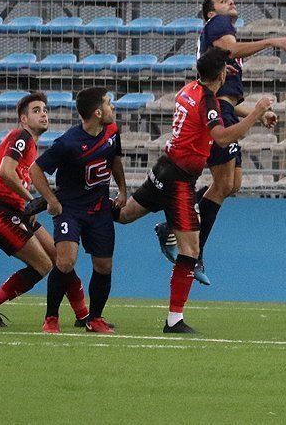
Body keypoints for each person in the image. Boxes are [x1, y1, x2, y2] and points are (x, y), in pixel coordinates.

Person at [115, 48, 273, 333]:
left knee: (124, 215)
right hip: (179, 179)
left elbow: (211, 112)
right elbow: (222, 138)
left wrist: (250, 115)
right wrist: (256, 114)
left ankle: (83, 201)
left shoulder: (189, 89)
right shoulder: (207, 100)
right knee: (190, 250)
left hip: (165, 167)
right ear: (222, 74)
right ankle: (174, 320)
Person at [154, 0, 286, 285]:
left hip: (225, 109)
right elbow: (233, 51)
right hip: (217, 113)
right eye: (223, 1)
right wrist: (270, 41)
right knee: (224, 183)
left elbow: (228, 94)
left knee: (231, 183)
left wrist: (254, 113)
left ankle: (172, 226)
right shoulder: (219, 25)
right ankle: (185, 238)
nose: (231, 3)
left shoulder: (219, 37)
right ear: (211, 13)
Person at [0, 92, 90, 328]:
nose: (43, 113)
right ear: (23, 119)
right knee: (44, 265)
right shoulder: (21, 136)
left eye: (45, 109)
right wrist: (32, 199)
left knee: (60, 258)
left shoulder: (30, 144)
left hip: (13, 211)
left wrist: (29, 204)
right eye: (36, 110)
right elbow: (5, 172)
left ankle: (83, 315)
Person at [29, 87, 127, 334]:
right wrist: (51, 200)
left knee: (104, 266)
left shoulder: (113, 132)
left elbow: (115, 160)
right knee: (66, 261)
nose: (112, 107)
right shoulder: (68, 143)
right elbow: (35, 170)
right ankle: (51, 318)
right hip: (70, 210)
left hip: (100, 209)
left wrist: (123, 191)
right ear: (97, 112)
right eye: (108, 103)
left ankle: (94, 319)